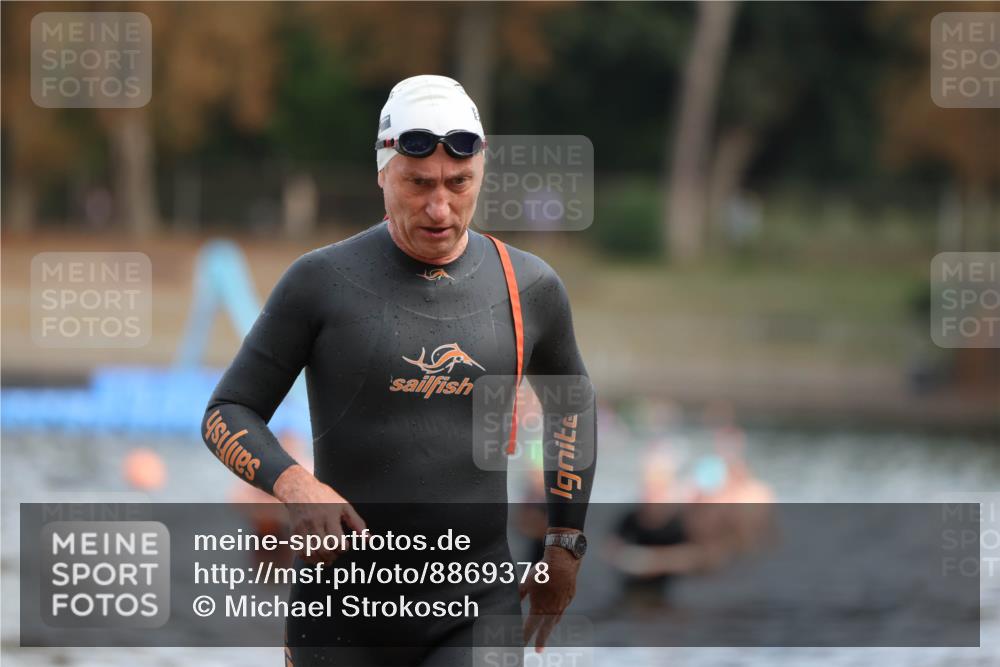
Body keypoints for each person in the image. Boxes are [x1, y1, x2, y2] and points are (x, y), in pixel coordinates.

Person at [201, 74, 596, 666]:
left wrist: (564, 547)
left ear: (480, 171)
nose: (440, 207)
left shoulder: (529, 286)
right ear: (383, 172)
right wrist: (293, 483)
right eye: (418, 184)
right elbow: (226, 413)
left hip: (476, 606)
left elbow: (571, 405)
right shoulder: (321, 282)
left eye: (458, 183)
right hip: (342, 612)